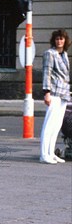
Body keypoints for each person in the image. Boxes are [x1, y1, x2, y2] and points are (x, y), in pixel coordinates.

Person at [39, 29, 70, 164]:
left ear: (65, 41)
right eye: (57, 39)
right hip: (54, 93)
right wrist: (46, 92)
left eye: (61, 39)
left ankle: (51, 153)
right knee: (49, 125)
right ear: (54, 40)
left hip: (63, 94)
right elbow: (47, 73)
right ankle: (44, 154)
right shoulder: (49, 54)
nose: (59, 41)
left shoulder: (64, 55)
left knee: (57, 125)